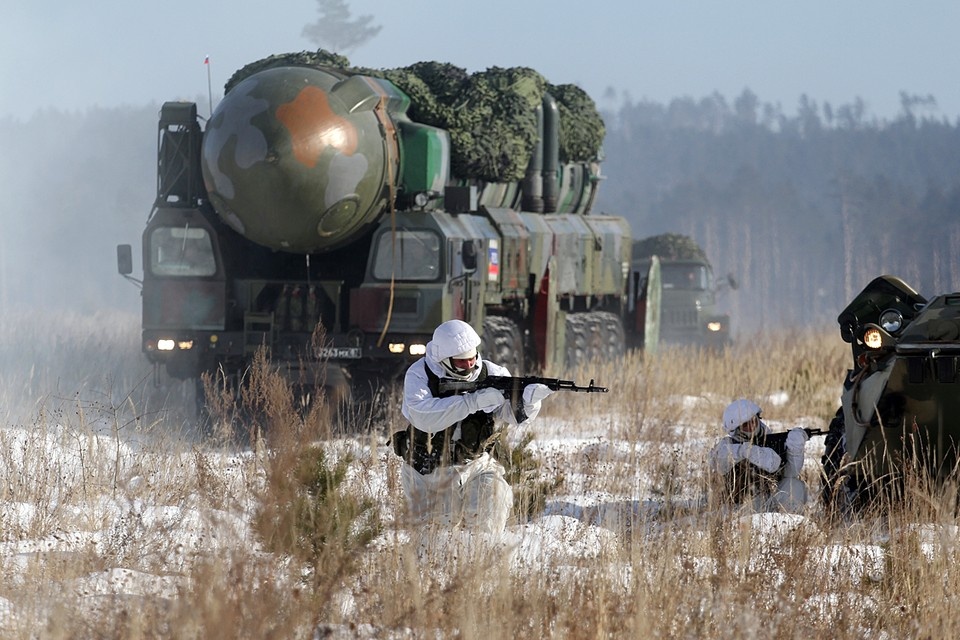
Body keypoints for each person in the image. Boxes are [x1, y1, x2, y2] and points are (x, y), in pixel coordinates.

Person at [393, 319, 554, 533]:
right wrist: (472, 402)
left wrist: (529, 401)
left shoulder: (491, 372)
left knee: (493, 503)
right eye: (461, 362)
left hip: (477, 464)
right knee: (435, 539)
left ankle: (484, 551)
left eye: (472, 358)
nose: (470, 365)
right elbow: (423, 417)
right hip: (427, 471)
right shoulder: (420, 374)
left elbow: (514, 416)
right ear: (444, 360)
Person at [708, 398, 810, 513]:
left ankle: (790, 522)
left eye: (754, 421)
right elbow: (717, 463)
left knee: (793, 485)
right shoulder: (728, 445)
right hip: (739, 509)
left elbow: (790, 474)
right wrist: (744, 451)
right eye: (745, 425)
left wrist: (795, 450)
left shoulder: (771, 442)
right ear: (736, 429)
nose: (751, 426)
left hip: (769, 504)